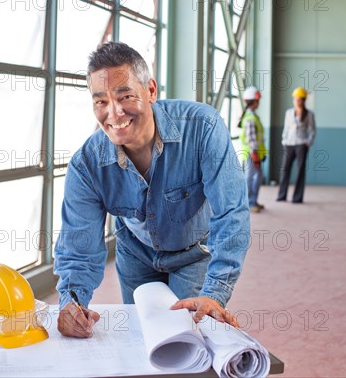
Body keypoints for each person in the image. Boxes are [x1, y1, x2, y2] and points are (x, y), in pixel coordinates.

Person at [54, 42, 250, 338]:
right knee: (143, 339)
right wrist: (72, 302)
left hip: (195, 252)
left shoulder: (203, 128)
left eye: (125, 96)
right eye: (101, 102)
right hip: (135, 253)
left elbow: (231, 213)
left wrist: (215, 292)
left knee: (191, 339)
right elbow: (78, 243)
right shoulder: (87, 164)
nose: (115, 113)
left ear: (151, 91)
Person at [277, 87, 316, 203]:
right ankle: (281, 195)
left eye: (299, 99)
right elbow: (286, 128)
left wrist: (308, 143)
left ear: (303, 100)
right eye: (295, 99)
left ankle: (297, 197)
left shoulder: (309, 115)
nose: (297, 101)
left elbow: (312, 130)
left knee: (300, 170)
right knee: (285, 169)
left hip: (301, 145)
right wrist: (284, 141)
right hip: (289, 144)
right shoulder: (288, 113)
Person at [238, 86, 267, 213]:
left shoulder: (252, 116)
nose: (259, 103)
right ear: (253, 101)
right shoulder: (250, 118)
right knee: (250, 177)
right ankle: (249, 202)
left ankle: (253, 200)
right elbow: (251, 139)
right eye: (257, 100)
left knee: (257, 176)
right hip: (251, 153)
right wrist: (255, 153)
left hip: (255, 152)